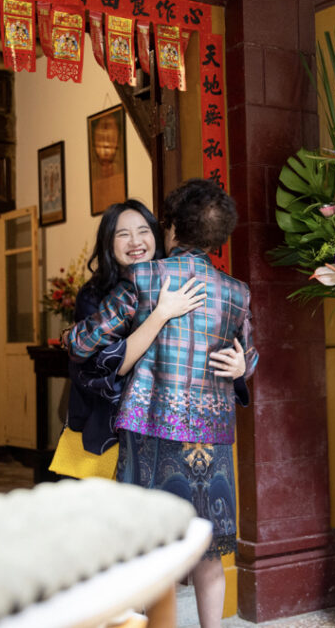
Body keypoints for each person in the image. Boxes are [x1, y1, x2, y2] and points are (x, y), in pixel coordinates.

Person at [68, 179, 258, 628]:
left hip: (150, 430)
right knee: (208, 550)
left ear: (170, 228)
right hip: (211, 437)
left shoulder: (144, 278)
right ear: (218, 237)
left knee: (152, 550)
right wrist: (242, 367)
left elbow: (81, 343)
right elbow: (247, 355)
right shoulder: (237, 291)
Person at [64, 199, 248, 466]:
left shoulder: (177, 282)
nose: (135, 241)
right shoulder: (93, 295)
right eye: (123, 234)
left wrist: (239, 366)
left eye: (143, 231)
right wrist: (160, 314)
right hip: (107, 430)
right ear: (108, 242)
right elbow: (103, 367)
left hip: (172, 435)